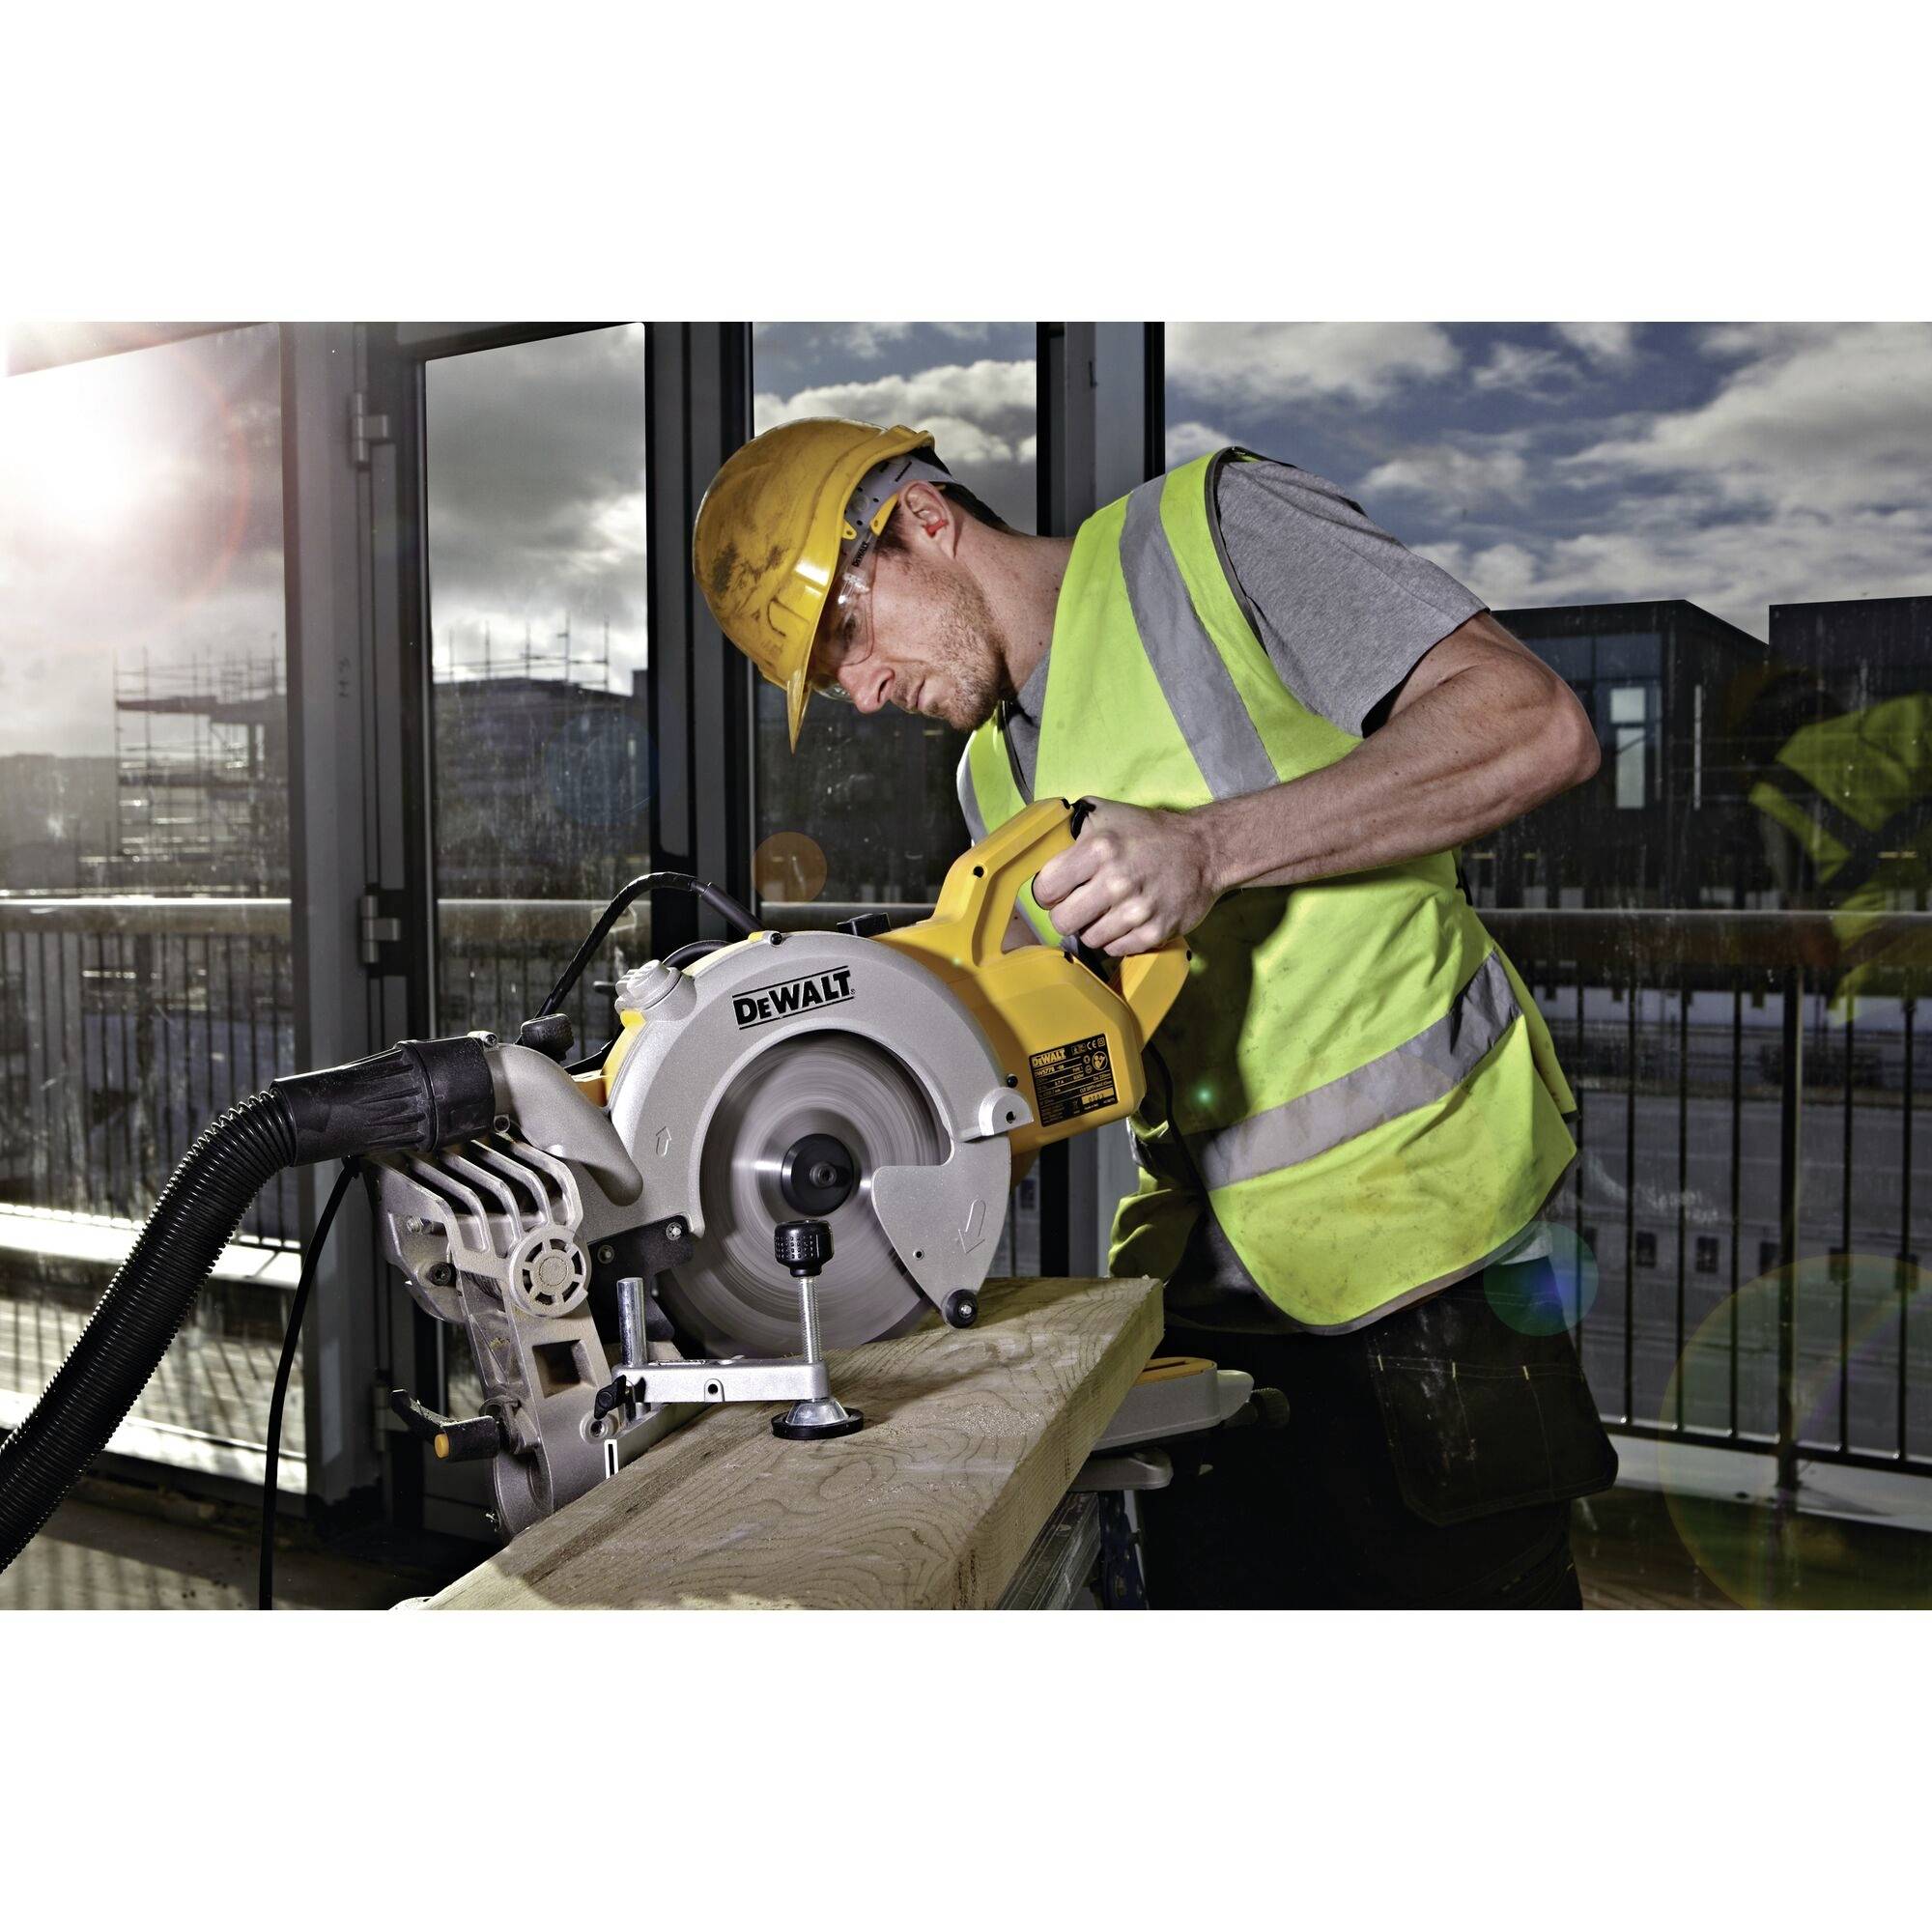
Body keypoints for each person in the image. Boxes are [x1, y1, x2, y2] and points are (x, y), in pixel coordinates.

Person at [694, 417, 1618, 1607]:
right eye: (829, 681)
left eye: (846, 635)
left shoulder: (1212, 538)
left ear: (922, 521)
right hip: (1203, 1284)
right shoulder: (990, 775)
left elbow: (1532, 724)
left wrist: (1210, 846)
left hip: (1435, 1251)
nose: (864, 693)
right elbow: (1048, 1050)